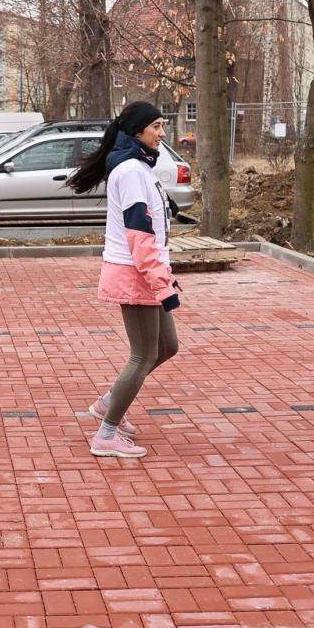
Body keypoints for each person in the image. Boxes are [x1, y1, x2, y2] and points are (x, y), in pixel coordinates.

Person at [65, 101, 179, 459]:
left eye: (162, 125)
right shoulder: (130, 170)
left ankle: (108, 404)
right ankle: (106, 434)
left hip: (148, 272)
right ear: (136, 131)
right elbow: (139, 236)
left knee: (168, 346)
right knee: (142, 356)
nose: (162, 133)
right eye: (156, 126)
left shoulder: (140, 165)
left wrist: (164, 275)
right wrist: (161, 283)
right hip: (136, 275)